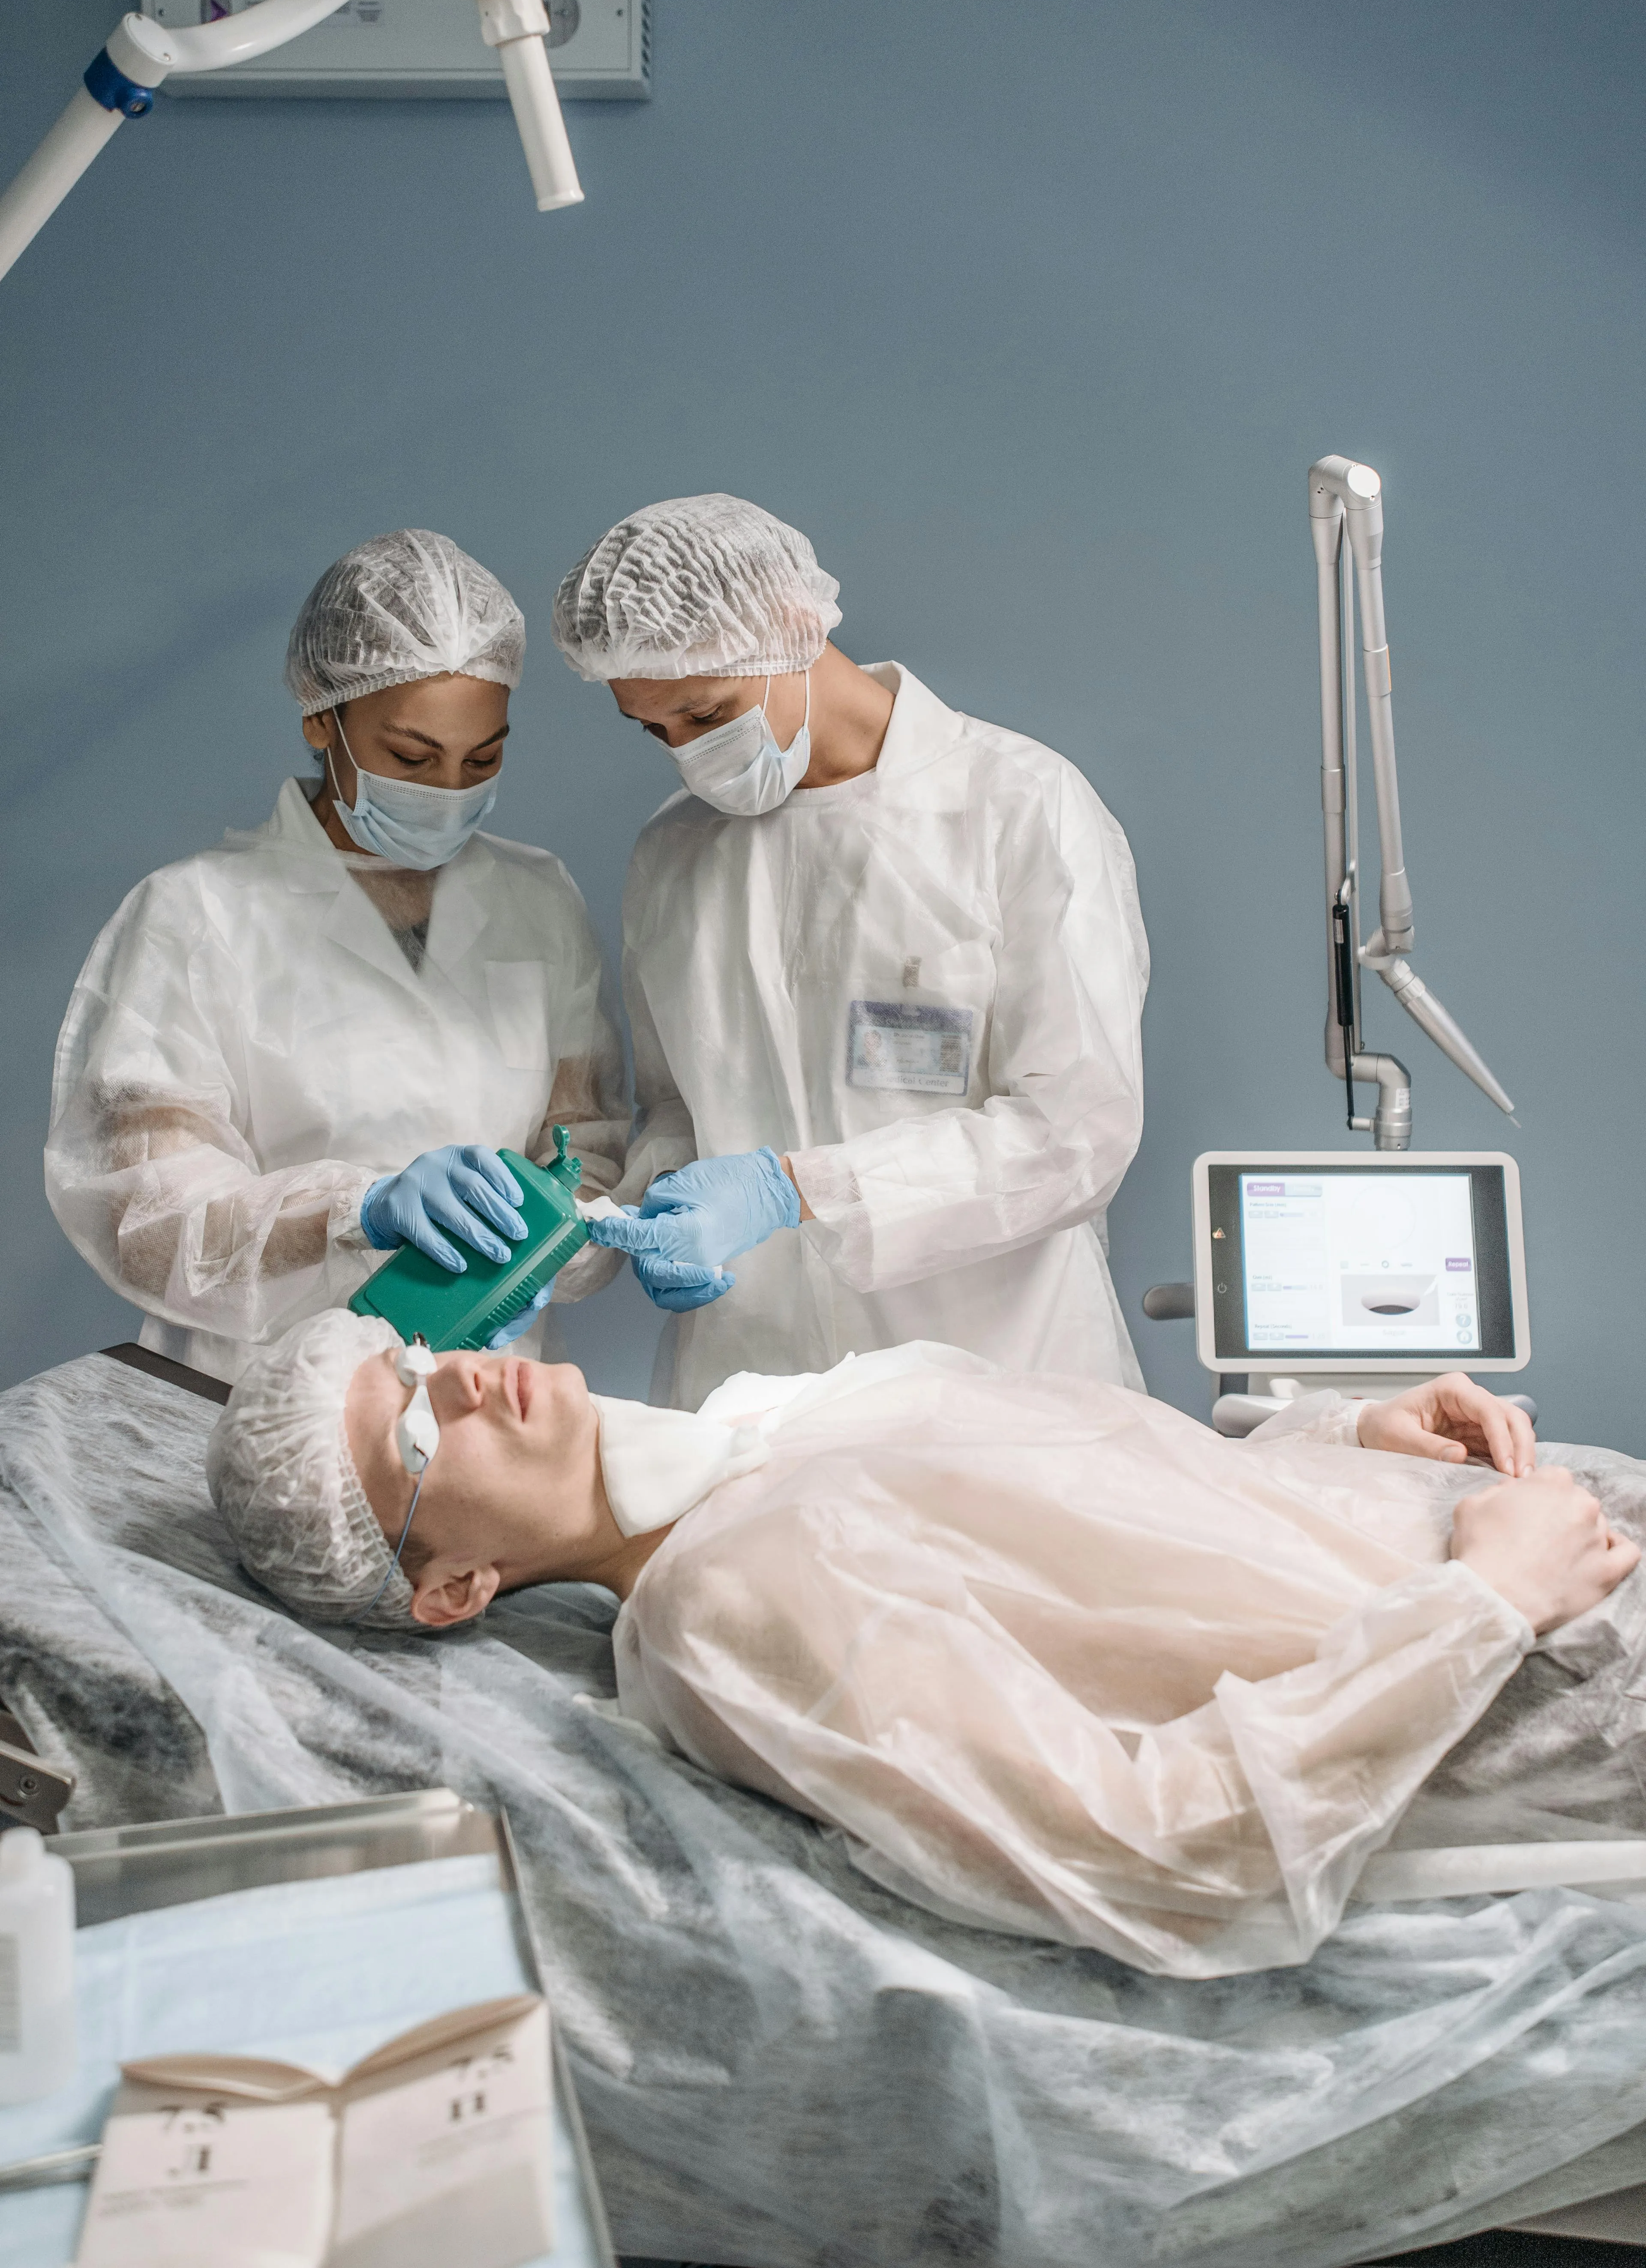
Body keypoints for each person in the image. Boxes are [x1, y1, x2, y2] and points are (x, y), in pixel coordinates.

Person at [208, 1312, 1640, 1979]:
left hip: (1517, 1522)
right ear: (456, 1588)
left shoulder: (759, 1422)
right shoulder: (728, 1604)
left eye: (407, 1348)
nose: (457, 1372)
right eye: (412, 1424)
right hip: (1552, 1679)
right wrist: (1485, 1606)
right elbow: (1149, 1849)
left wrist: (1339, 1442)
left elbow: (1091, 1511)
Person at [550, 493, 1148, 1410]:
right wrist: (657, 1198)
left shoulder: (1018, 806)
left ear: (794, 626)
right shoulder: (673, 855)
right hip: (749, 1388)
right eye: (656, 729)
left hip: (994, 1388)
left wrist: (797, 1188)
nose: (687, 755)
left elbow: (1077, 1132)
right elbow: (680, 1105)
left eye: (707, 713)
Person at [47, 529, 625, 1383]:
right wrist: (358, 1209)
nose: (449, 791)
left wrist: (555, 1248)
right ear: (323, 716)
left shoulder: (537, 903)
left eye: (484, 757)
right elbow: (142, 1214)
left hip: (484, 1402)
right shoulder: (197, 913)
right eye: (410, 756)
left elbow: (587, 1152)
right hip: (250, 1402)